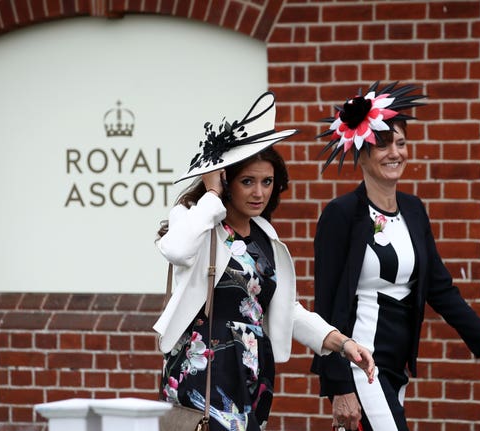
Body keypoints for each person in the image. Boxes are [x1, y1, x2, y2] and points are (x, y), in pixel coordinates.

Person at [153, 91, 375, 431]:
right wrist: (211, 195)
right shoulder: (196, 220)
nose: (259, 193)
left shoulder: (265, 238)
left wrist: (341, 342)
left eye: (267, 182)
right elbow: (177, 249)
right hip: (203, 370)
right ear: (227, 182)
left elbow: (284, 308)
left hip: (251, 370)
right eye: (247, 182)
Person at [310, 81, 480, 431]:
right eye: (384, 144)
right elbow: (327, 306)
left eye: (402, 143)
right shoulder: (341, 214)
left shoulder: (414, 210)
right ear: (361, 152)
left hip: (397, 368)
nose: (396, 152)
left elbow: (440, 288)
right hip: (361, 365)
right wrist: (338, 386)